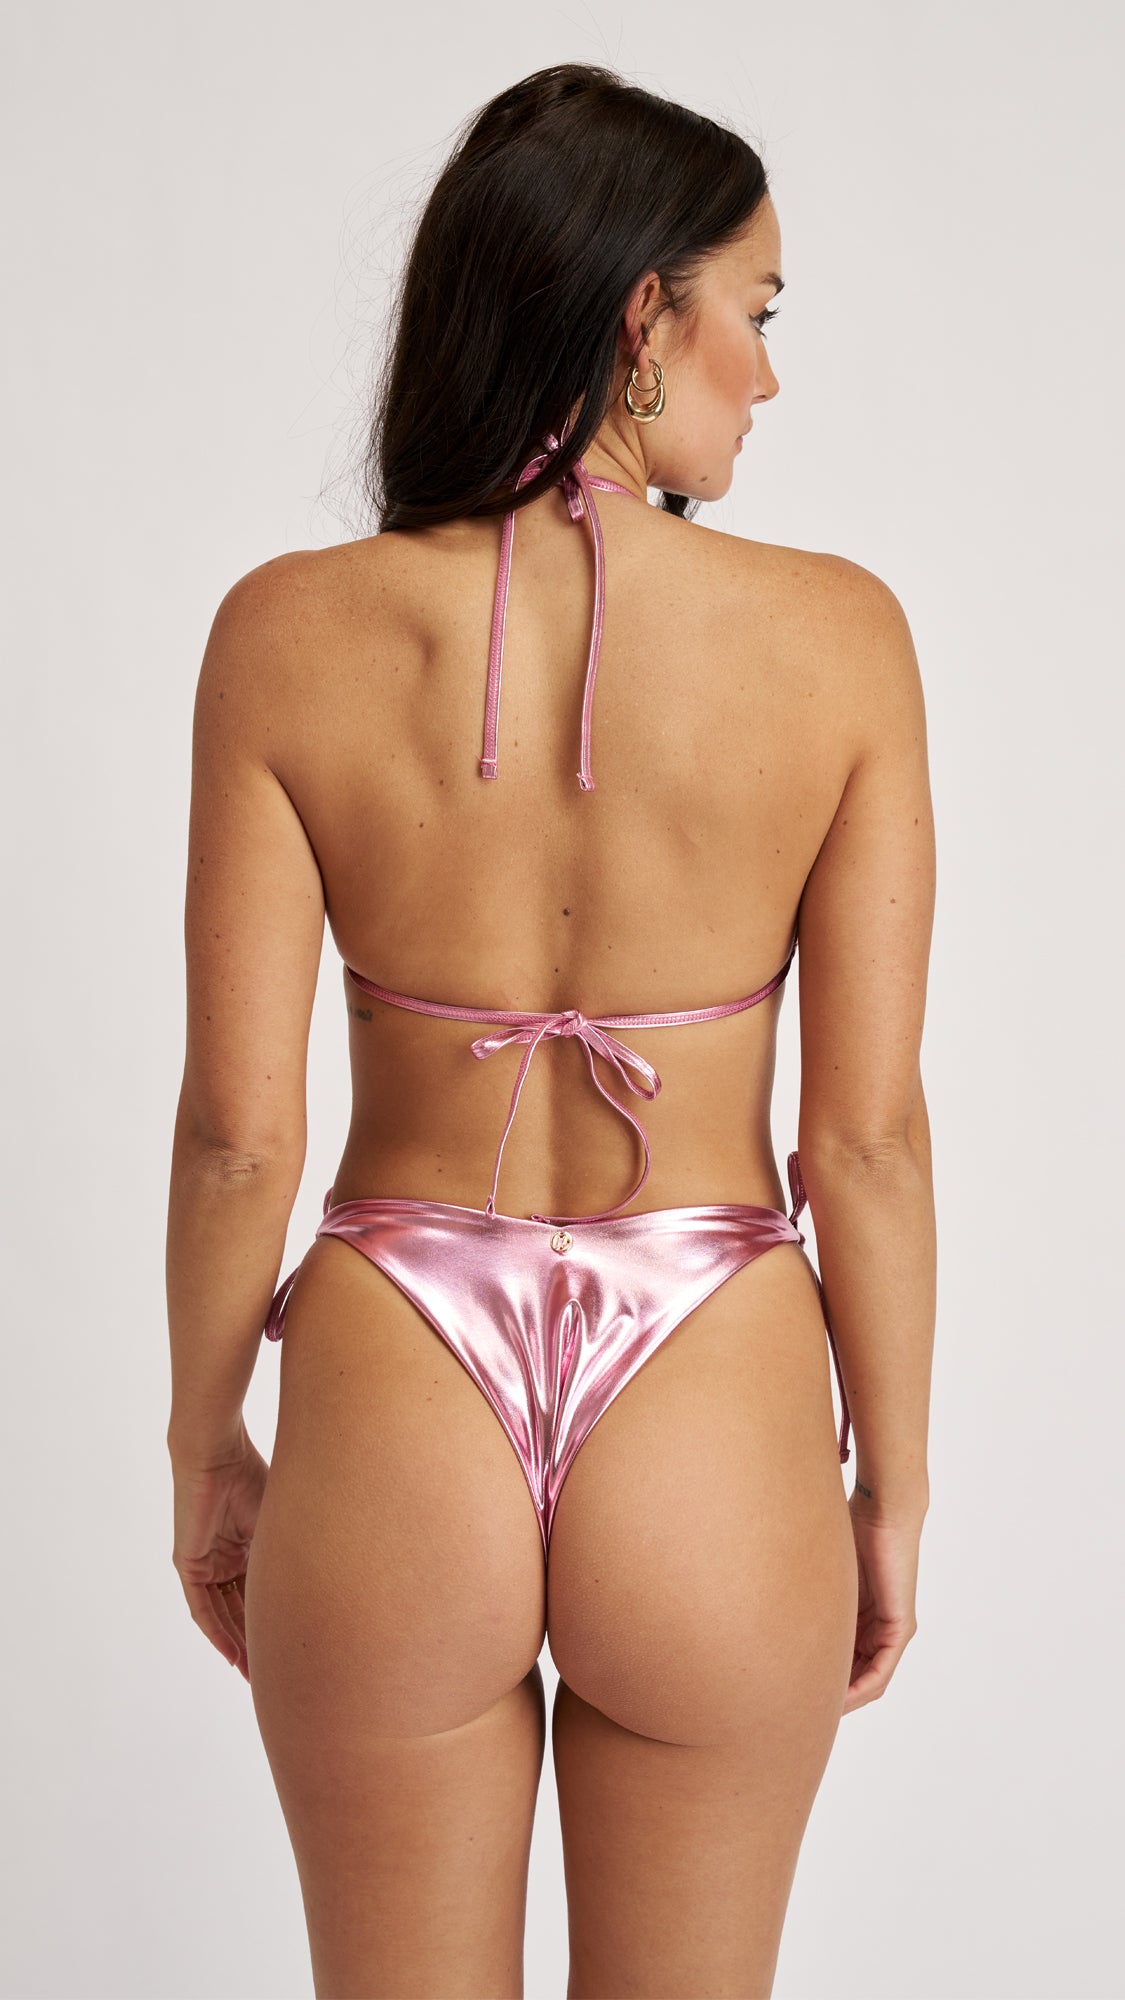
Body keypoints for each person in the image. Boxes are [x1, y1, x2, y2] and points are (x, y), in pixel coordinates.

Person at [166, 60, 936, 2000]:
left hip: (396, 1379)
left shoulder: (286, 632)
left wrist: (205, 1445)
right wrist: (892, 1486)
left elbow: (240, 1136)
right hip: (712, 1375)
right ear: (640, 316)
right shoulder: (839, 639)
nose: (768, 373)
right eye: (754, 310)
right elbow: (860, 1141)